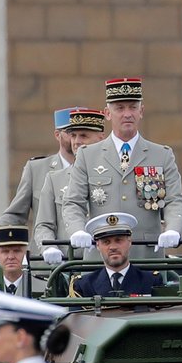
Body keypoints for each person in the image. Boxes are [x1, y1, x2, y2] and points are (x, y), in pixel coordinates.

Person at [62, 77, 182, 259]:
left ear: (141, 111)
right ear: (107, 113)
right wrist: (77, 230)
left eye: (132, 107)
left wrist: (173, 229)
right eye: (120, 108)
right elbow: (73, 202)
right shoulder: (88, 155)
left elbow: (175, 201)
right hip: (102, 256)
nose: (127, 114)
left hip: (145, 255)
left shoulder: (161, 154)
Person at [0, 107, 78, 248]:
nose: (76, 138)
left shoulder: (97, 167)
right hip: (45, 260)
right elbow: (17, 214)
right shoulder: (37, 169)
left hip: (89, 260)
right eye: (70, 132)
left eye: (82, 133)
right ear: (57, 135)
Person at [33, 107, 106, 264]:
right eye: (73, 135)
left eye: (84, 136)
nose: (76, 141)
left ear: (101, 138)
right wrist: (49, 247)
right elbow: (44, 225)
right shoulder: (54, 179)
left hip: (107, 262)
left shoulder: (114, 175)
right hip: (69, 264)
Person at [70, 212, 162, 298]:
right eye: (106, 242)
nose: (113, 247)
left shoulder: (151, 281)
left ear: (129, 242)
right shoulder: (84, 284)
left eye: (118, 240)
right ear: (98, 245)